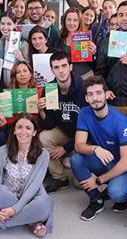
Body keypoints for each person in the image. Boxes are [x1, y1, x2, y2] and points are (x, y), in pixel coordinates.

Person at [0, 113, 53, 238]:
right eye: (19, 127)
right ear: (14, 131)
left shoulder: (43, 154)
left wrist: (15, 209)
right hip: (8, 197)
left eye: (28, 128)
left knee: (45, 203)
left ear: (34, 133)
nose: (23, 131)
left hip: (31, 198)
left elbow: (34, 186)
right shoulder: (3, 151)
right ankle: (31, 220)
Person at [70, 75, 127, 220]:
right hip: (103, 160)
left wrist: (99, 180)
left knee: (117, 194)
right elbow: (79, 145)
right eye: (90, 94)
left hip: (122, 167)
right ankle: (96, 200)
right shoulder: (84, 113)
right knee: (76, 159)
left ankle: (116, 189)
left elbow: (126, 163)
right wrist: (95, 149)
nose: (95, 98)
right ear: (86, 98)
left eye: (99, 93)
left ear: (106, 94)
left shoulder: (120, 121)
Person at [38, 52, 87, 193]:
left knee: (79, 184)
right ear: (52, 70)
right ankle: (60, 178)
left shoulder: (82, 88)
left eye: (64, 66)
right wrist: (41, 110)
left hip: (84, 135)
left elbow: (89, 127)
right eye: (56, 67)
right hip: (65, 130)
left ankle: (86, 168)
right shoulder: (50, 89)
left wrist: (66, 148)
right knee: (44, 137)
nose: (61, 70)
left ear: (70, 67)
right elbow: (49, 124)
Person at [57, 7, 96, 78]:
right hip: (67, 79)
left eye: (75, 20)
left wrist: (94, 53)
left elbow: (95, 63)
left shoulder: (86, 38)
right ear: (64, 21)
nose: (71, 23)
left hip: (86, 77)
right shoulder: (60, 39)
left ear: (79, 22)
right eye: (69, 20)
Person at [0, 12, 29, 87]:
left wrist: (22, 59)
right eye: (2, 24)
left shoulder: (22, 43)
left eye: (9, 24)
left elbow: (30, 67)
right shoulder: (0, 41)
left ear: (15, 25)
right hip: (4, 85)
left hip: (18, 86)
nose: (5, 27)